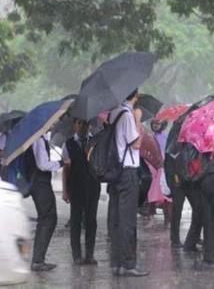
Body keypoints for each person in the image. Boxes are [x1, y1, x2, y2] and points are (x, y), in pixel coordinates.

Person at [108, 90, 149, 277]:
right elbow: (136, 144)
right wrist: (138, 120)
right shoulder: (126, 115)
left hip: (116, 172)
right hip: (127, 173)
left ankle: (116, 262)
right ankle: (129, 264)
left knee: (116, 219)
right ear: (136, 96)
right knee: (128, 220)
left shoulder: (113, 113)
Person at [62, 119, 101, 265]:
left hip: (93, 186)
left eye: (85, 124)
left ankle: (89, 255)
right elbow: (65, 169)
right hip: (75, 187)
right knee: (76, 220)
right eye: (79, 123)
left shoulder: (96, 142)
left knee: (91, 221)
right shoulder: (69, 144)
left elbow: (101, 162)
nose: (82, 127)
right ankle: (76, 256)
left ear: (89, 125)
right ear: (74, 125)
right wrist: (65, 190)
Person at [30, 132, 68, 271]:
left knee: (47, 218)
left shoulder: (41, 138)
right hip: (40, 183)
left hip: (40, 182)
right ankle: (38, 260)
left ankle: (39, 259)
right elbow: (42, 164)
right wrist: (61, 162)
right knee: (48, 218)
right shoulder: (38, 139)